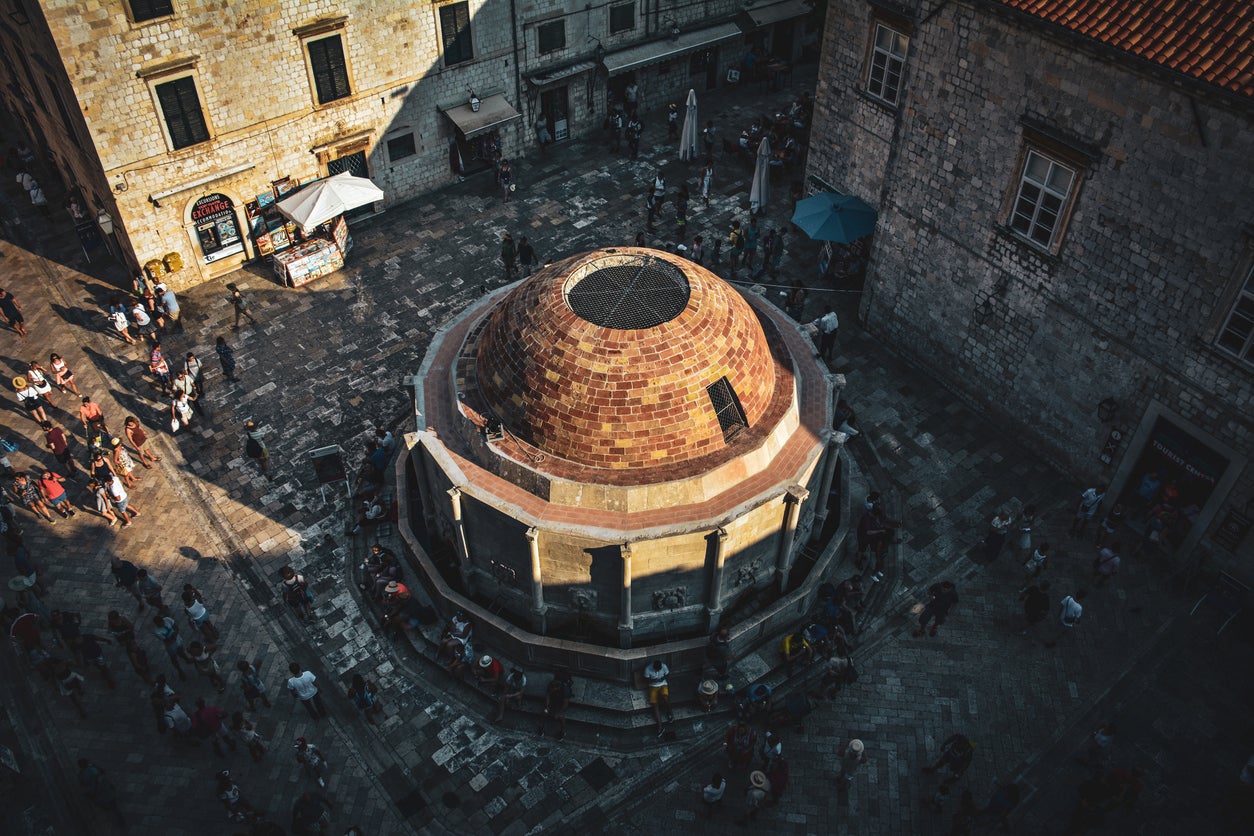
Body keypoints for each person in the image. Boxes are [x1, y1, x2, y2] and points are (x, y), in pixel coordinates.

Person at [77, 759, 125, 827]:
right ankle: (120, 820)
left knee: (106, 807)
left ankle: (114, 817)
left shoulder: (82, 775)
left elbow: (84, 785)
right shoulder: (93, 767)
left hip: (98, 794)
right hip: (106, 789)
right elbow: (103, 773)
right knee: (114, 806)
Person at [540, 671, 573, 739]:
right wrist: (547, 706)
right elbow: (548, 696)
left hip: (561, 703)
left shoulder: (565, 690)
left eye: (553, 689)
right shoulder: (551, 685)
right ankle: (541, 727)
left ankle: (563, 731)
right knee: (544, 712)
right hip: (553, 701)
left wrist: (559, 713)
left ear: (558, 687)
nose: (552, 690)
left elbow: (565, 704)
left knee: (561, 717)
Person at [642, 659, 672, 733]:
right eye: (656, 669)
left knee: (665, 697)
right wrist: (653, 681)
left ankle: (670, 712)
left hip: (663, 684)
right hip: (653, 686)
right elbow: (645, 680)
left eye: (659, 669)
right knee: (655, 704)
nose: (657, 671)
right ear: (653, 667)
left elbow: (668, 675)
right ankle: (660, 727)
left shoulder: (664, 666)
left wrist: (663, 678)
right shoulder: (648, 669)